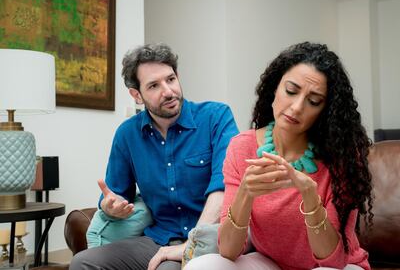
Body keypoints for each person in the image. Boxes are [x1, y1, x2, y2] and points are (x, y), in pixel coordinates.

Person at [185, 42, 373, 270]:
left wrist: (310, 197)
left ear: (325, 111)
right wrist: (245, 192)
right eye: (291, 91)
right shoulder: (241, 147)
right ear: (275, 87)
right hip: (272, 263)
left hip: (337, 267)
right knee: (204, 265)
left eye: (313, 101)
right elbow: (229, 251)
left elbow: (331, 261)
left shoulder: (342, 156)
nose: (296, 108)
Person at [70, 43, 239, 270]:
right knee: (84, 262)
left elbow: (226, 186)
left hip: (212, 237)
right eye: (154, 86)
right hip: (160, 239)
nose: (168, 91)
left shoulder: (216, 117)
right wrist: (111, 207)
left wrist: (192, 243)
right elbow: (117, 193)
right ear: (136, 95)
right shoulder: (127, 134)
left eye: (170, 79)